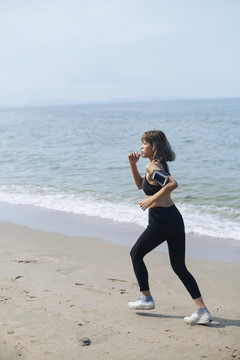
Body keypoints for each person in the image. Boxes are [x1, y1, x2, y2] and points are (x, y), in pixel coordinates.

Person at [128, 130, 211, 325]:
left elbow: (172, 184)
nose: (141, 146)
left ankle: (146, 298)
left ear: (153, 147)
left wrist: (150, 201)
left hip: (161, 221)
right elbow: (142, 185)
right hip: (174, 219)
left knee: (136, 254)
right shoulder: (158, 167)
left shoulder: (152, 167)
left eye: (144, 143)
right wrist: (132, 165)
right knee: (179, 266)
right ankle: (202, 310)